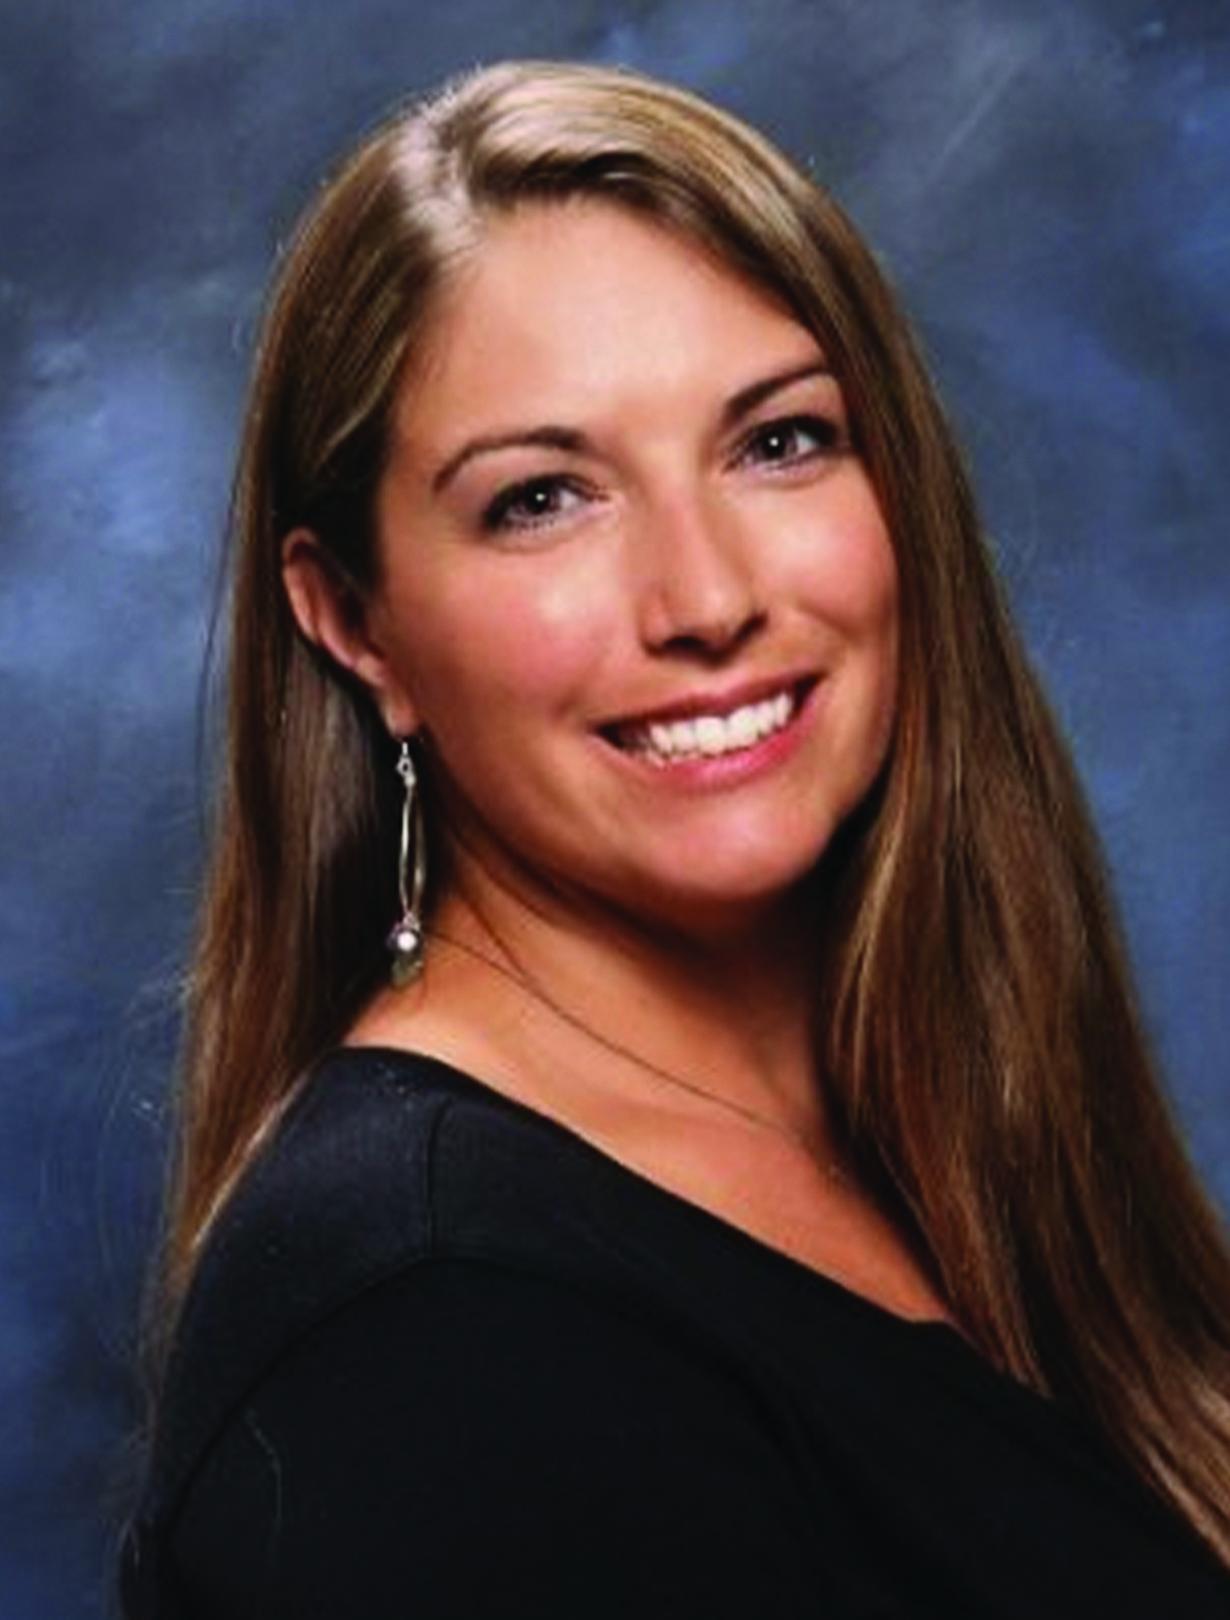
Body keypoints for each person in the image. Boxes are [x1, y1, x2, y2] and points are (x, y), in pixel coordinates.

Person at [120, 59, 1230, 1617]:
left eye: (776, 443)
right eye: (542, 498)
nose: (705, 599)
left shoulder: (957, 1135)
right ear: (353, 621)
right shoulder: (432, 1335)